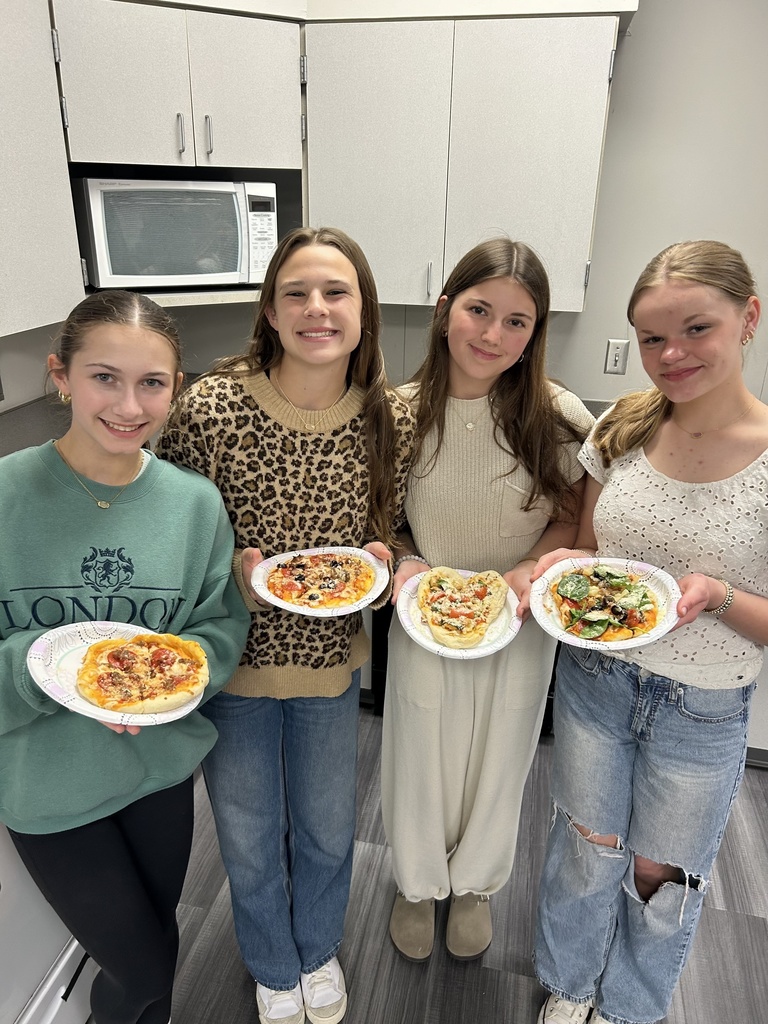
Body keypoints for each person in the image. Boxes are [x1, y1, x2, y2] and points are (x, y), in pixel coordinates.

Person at [155, 227, 414, 1024]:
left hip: (329, 663)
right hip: (232, 660)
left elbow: (391, 533)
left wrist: (383, 563)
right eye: (296, 292)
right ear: (269, 309)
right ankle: (273, 963)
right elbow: (171, 527)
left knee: (331, 829)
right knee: (248, 833)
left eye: (336, 293)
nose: (316, 309)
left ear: (363, 311)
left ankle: (317, 949)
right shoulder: (214, 405)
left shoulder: (385, 419)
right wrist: (230, 573)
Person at [532, 240, 767, 1024]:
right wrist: (561, 563)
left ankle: (629, 1007)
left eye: (696, 329)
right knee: (585, 849)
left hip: (702, 704)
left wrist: (721, 595)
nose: (672, 355)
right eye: (653, 338)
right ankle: (568, 987)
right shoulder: (624, 426)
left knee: (659, 876)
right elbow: (591, 549)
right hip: (595, 679)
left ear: (749, 320)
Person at [0, 290, 250, 1024]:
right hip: (46, 784)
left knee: (155, 948)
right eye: (105, 377)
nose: (129, 405)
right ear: (60, 375)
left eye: (153, 383)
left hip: (157, 772)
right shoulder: (5, 494)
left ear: (177, 388)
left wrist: (168, 677)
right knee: (144, 963)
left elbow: (217, 629)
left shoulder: (196, 504)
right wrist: (48, 671)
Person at [380, 238, 594, 963]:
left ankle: (473, 884)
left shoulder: (554, 412)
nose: (492, 334)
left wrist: (532, 568)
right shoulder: (400, 411)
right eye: (478, 310)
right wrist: (408, 565)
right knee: (420, 747)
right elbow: (384, 516)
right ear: (444, 312)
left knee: (500, 751)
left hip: (521, 613)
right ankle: (415, 883)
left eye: (517, 322)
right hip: (426, 608)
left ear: (535, 335)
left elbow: (575, 515)